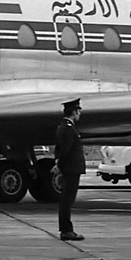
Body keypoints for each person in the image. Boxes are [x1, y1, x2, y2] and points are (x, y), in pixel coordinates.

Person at [55, 99, 85, 241]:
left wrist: (58, 163)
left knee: (66, 200)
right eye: (78, 111)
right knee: (67, 200)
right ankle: (67, 230)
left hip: (71, 168)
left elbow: (59, 148)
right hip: (71, 169)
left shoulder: (64, 127)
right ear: (74, 112)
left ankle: (66, 229)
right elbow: (65, 150)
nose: (79, 114)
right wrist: (59, 165)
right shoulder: (67, 128)